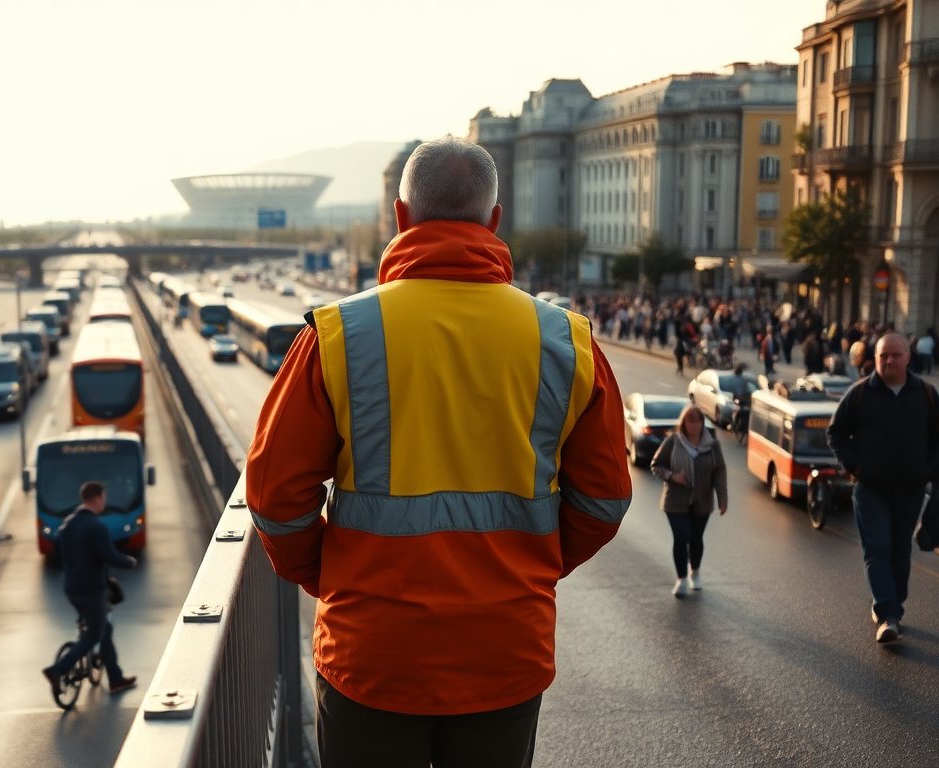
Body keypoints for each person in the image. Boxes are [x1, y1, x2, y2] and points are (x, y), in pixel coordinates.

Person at [245, 138, 632, 767]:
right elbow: (606, 499)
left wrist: (334, 578)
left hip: (372, 654)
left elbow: (274, 501)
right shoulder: (568, 342)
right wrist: (527, 571)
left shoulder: (338, 337)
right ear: (495, 221)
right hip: (504, 652)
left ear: (400, 217)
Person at [827, 332, 939, 643]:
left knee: (900, 552)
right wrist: (858, 467)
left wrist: (929, 469)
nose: (889, 361)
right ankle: (888, 614)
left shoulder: (927, 395)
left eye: (895, 355)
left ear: (908, 358)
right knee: (876, 549)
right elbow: (835, 434)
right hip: (871, 489)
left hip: (910, 490)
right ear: (874, 359)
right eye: (882, 356)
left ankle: (893, 604)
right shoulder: (860, 393)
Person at [41, 481, 139, 697]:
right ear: (96, 498)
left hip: (71, 588)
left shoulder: (67, 524)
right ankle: (58, 669)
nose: (105, 501)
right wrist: (130, 562)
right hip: (92, 589)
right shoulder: (96, 526)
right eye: (103, 497)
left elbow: (57, 558)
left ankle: (115, 678)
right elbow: (109, 555)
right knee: (94, 633)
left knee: (104, 630)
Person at [650, 404, 728, 597]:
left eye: (698, 421)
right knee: (681, 537)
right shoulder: (673, 441)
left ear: (702, 423)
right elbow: (656, 465)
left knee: (695, 539)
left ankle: (695, 572)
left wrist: (722, 497)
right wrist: (672, 476)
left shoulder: (712, 445)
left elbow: (719, 471)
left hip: (702, 500)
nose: (694, 425)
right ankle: (682, 579)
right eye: (690, 421)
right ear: (684, 423)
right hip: (675, 500)